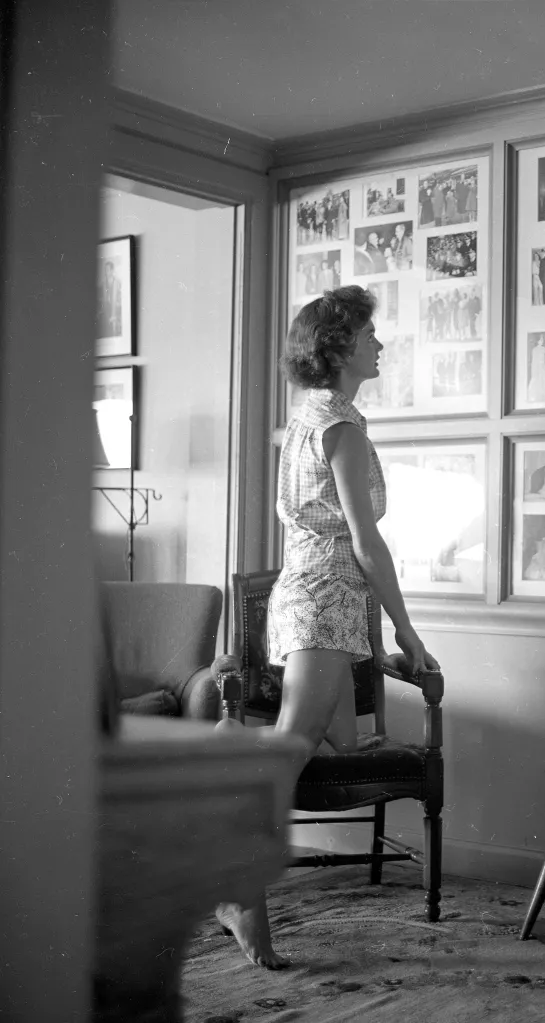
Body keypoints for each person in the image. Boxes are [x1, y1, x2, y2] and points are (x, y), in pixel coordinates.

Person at [216, 286, 439, 969]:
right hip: (321, 597)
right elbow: (367, 545)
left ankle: (230, 757)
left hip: (322, 597)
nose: (379, 344)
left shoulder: (314, 415)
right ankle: (235, 886)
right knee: (291, 744)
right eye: (370, 335)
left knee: (338, 741)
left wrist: (381, 647)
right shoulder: (341, 427)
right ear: (339, 346)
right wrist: (408, 632)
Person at [527, 335, 545, 403]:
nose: (541, 341)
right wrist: (534, 370)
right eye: (540, 339)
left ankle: (544, 397)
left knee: (544, 380)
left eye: (542, 339)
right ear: (537, 341)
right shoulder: (534, 349)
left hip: (543, 366)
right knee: (537, 381)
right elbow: (533, 361)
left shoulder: (544, 349)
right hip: (537, 367)